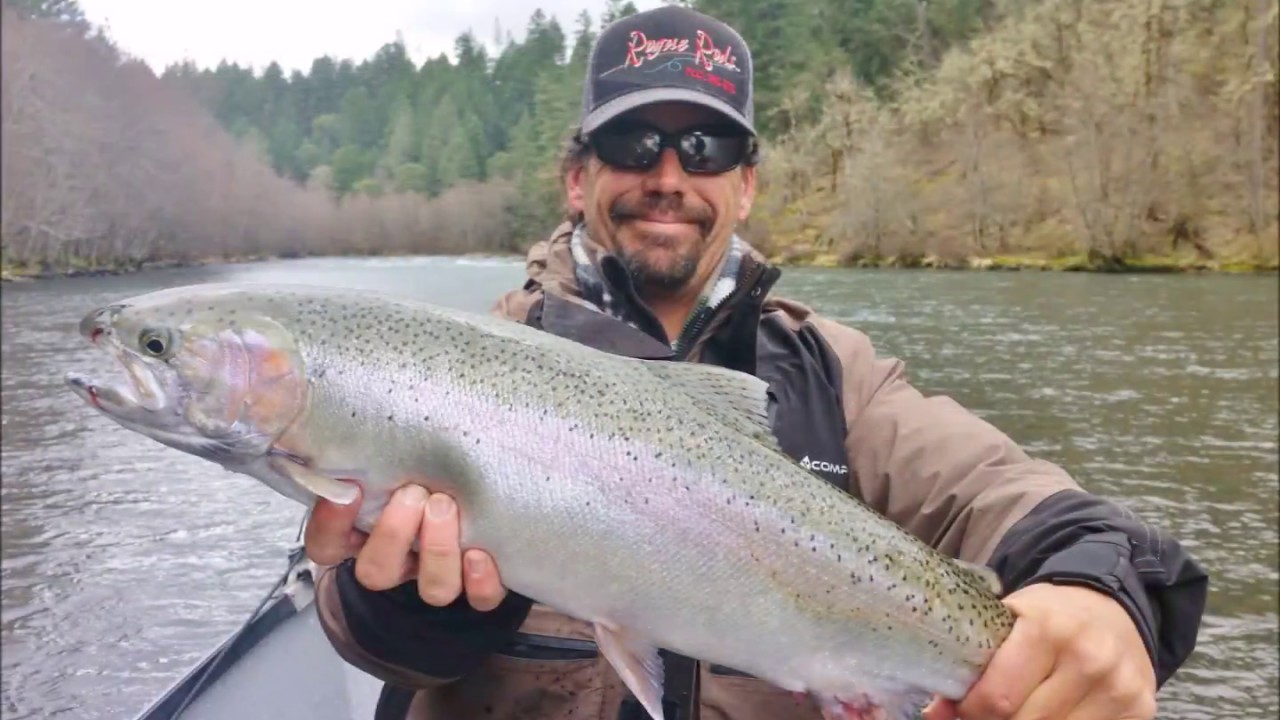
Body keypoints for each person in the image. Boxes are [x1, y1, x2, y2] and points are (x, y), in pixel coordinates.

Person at [304, 6, 1208, 720]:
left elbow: (1008, 496)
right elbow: (363, 638)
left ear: (744, 186)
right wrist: (420, 615)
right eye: (631, 143)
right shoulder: (443, 375)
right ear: (577, 180)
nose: (668, 174)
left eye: (706, 147)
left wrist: (1102, 592)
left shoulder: (832, 376)